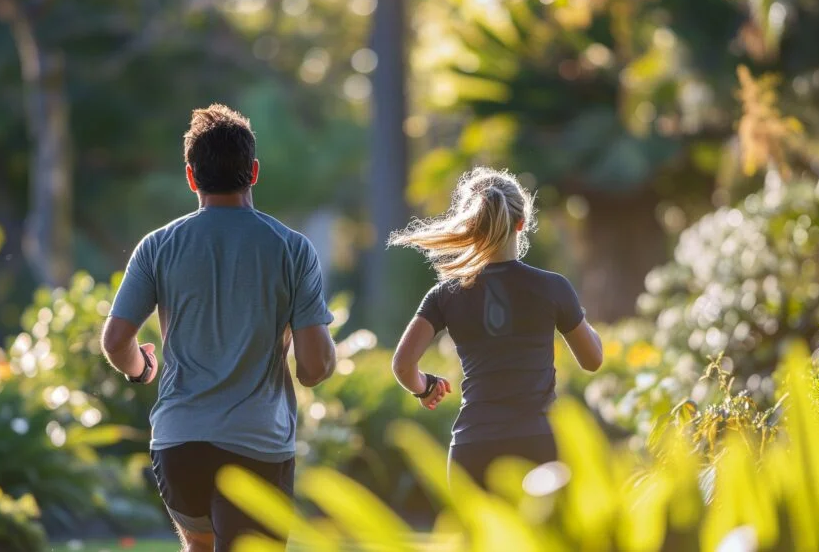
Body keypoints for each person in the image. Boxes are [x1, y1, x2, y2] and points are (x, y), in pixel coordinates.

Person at [100, 104, 337, 552]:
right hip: (256, 443)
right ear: (254, 171)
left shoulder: (157, 246)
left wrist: (140, 369)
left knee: (200, 546)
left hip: (178, 443)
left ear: (191, 177)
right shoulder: (292, 249)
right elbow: (314, 366)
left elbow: (115, 341)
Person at [388, 167, 603, 489]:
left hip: (473, 446)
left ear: (469, 226)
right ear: (521, 224)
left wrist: (425, 387)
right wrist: (575, 315)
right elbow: (592, 360)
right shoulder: (553, 288)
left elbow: (403, 365)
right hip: (538, 443)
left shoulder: (445, 294)